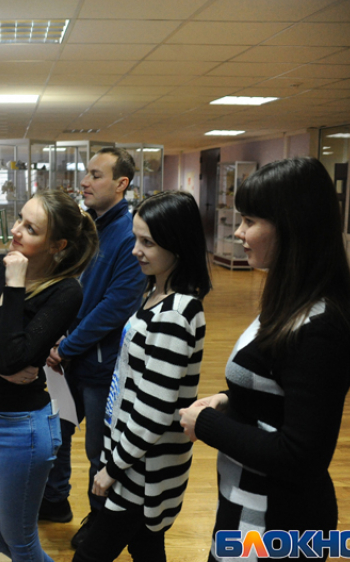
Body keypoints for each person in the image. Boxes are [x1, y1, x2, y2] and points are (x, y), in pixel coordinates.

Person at [178, 157, 350, 562]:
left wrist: (207, 424)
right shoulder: (288, 302)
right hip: (246, 506)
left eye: (250, 221)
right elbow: (277, 393)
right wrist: (228, 401)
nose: (240, 233)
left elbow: (301, 456)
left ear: (292, 227)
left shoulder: (321, 328)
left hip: (278, 521)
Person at [0, 189, 99, 562]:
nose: (15, 230)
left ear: (57, 244)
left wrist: (15, 284)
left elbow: (16, 357)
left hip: (22, 429)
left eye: (30, 229)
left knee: (21, 541)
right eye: (19, 219)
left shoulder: (65, 292)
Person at [73, 191, 211, 562]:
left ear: (177, 244)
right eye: (136, 238)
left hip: (142, 472)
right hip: (134, 462)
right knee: (147, 547)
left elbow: (153, 409)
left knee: (90, 555)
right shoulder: (155, 292)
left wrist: (112, 467)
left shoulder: (175, 313)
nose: (136, 250)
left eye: (147, 242)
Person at [40, 147, 147, 549]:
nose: (85, 181)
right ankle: (54, 502)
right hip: (67, 358)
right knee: (55, 432)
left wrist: (67, 345)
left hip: (100, 365)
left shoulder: (129, 232)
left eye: (95, 175)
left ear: (121, 184)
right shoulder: (90, 226)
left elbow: (116, 306)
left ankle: (99, 528)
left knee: (99, 452)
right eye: (86, 174)